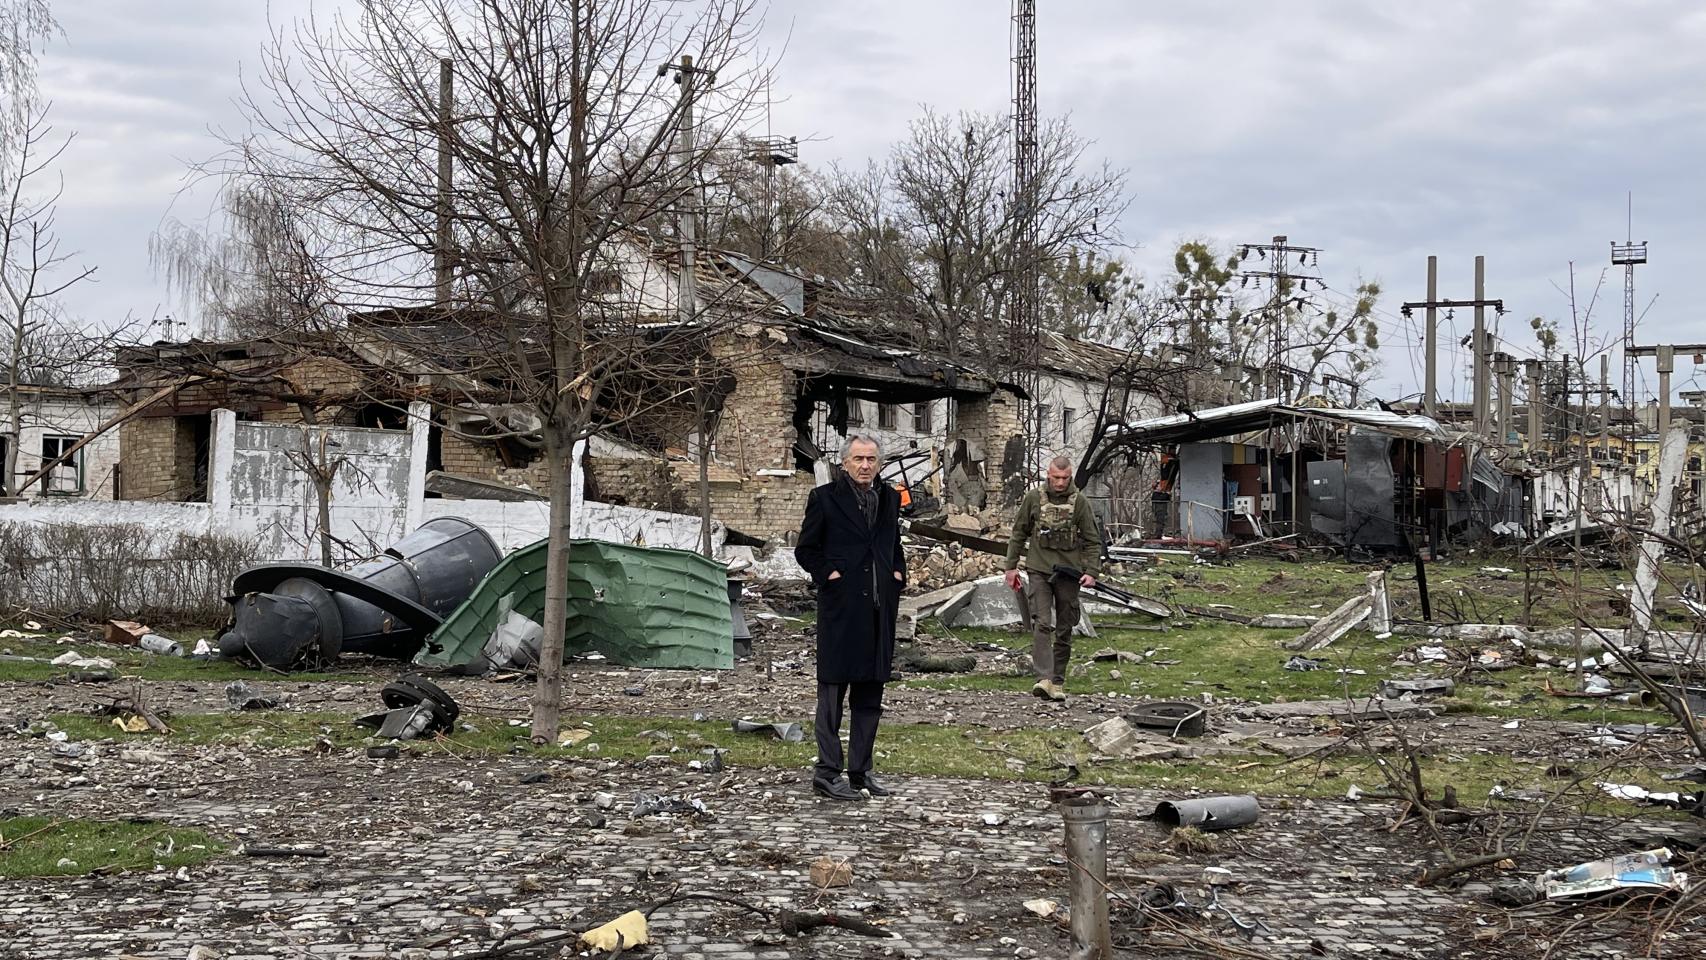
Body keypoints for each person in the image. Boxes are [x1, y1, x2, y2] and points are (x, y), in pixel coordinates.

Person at [794, 435, 906, 801]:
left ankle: (861, 771)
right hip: (841, 611)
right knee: (832, 692)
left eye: (871, 459)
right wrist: (830, 575)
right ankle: (827, 772)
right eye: (858, 459)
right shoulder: (825, 499)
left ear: (879, 463)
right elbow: (806, 550)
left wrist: (897, 574)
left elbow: (893, 544)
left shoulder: (889, 499)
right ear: (845, 463)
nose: (865, 465)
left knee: (870, 693)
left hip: (878, 611)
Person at [1003, 455, 1102, 702]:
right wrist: (1011, 567)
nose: (1059, 483)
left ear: (1070, 476)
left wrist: (1092, 572)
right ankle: (1044, 678)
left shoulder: (1080, 502)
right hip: (1038, 569)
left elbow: (1092, 540)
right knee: (1042, 622)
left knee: (1065, 627)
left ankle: (1057, 681)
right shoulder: (1033, 498)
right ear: (1048, 474)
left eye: (1064, 478)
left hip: (1068, 572)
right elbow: (1018, 533)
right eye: (1056, 477)